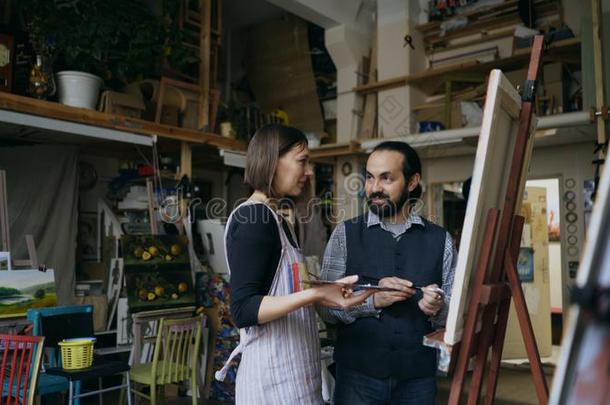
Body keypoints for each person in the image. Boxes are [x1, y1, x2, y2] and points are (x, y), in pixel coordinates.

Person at [215, 124, 373, 404]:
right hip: (272, 384)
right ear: (273, 162)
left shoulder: (275, 218)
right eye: (302, 161)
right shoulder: (255, 219)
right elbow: (243, 309)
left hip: (291, 378)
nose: (309, 171)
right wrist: (316, 294)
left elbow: (280, 289)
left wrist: (329, 290)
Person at [319, 141, 457, 405]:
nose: (374, 188)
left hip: (417, 379)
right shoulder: (344, 235)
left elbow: (454, 317)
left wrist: (437, 308)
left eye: (386, 178)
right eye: (370, 178)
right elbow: (325, 307)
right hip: (357, 377)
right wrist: (371, 301)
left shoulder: (441, 241)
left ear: (413, 181)